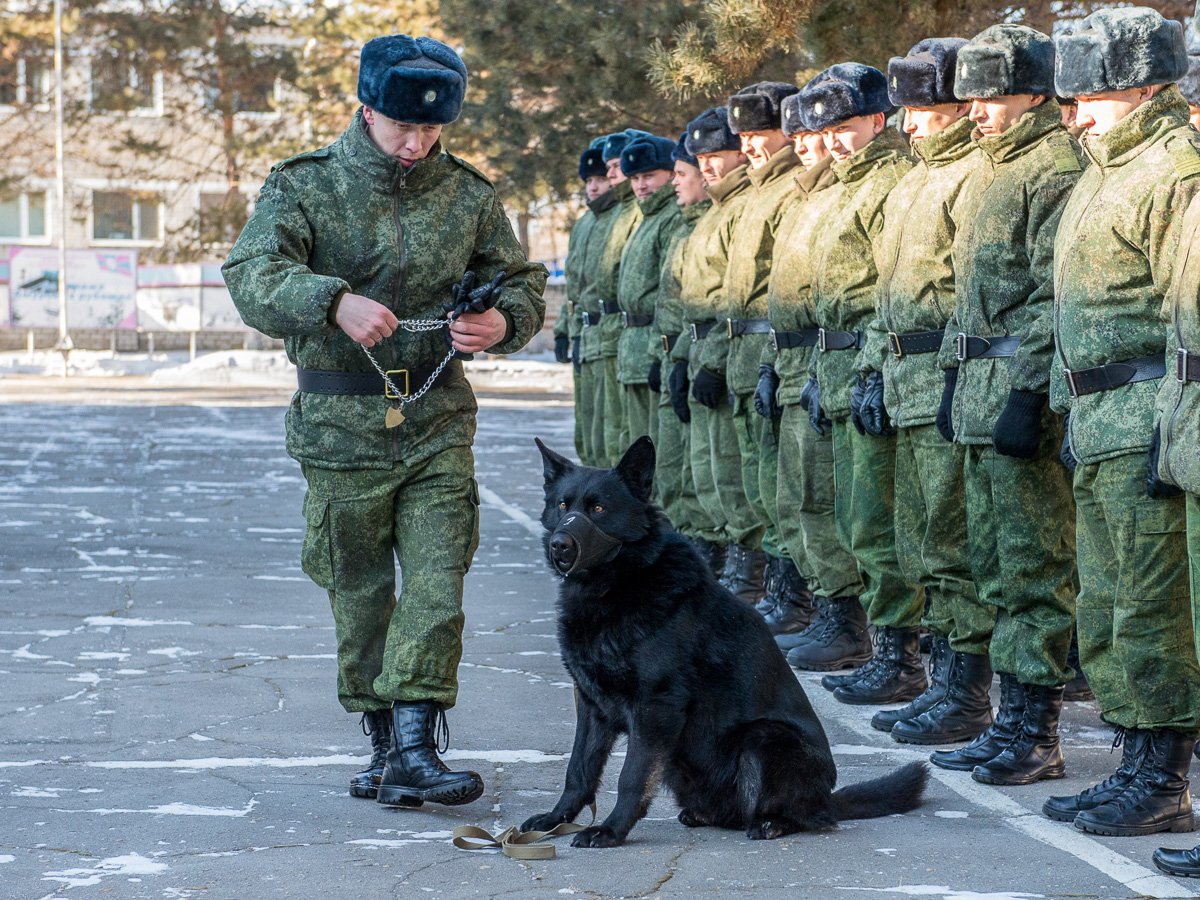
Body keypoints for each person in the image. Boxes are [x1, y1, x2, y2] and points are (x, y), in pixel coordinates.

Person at [222, 34, 547, 808]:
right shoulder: (306, 186)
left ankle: (414, 746)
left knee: (438, 581)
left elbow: (521, 281)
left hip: (437, 417)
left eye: (433, 130)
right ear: (366, 109)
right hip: (341, 427)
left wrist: (503, 321)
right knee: (361, 591)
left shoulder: (468, 194)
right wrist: (330, 300)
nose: (418, 142)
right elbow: (251, 273)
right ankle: (380, 742)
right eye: (404, 126)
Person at [1044, 7, 1200, 835]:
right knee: (1105, 603)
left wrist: (1170, 424)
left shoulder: (1174, 169)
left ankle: (1162, 778)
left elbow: (1185, 317)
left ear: (1140, 85)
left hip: (1146, 416)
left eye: (1090, 96)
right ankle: (1136, 758)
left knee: (1149, 606)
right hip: (1100, 417)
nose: (1075, 114)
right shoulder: (1105, 170)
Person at [913, 24, 1080, 784]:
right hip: (979, 393)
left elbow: (1055, 297)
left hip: (1020, 399)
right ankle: (1005, 715)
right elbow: (965, 295)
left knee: (1033, 569)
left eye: (992, 95)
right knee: (992, 567)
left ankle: (1036, 731)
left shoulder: (1051, 168)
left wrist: (1027, 392)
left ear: (1034, 93)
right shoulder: (994, 169)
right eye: (970, 96)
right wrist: (955, 375)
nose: (975, 109)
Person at [837, 38, 994, 715]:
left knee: (950, 543)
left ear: (958, 106)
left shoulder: (975, 176)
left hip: (944, 380)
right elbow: (887, 292)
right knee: (913, 539)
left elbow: (979, 295)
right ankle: (922, 670)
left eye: (921, 110)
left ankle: (964, 690)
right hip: (903, 378)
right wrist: (872, 367)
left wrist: (964, 377)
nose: (908, 123)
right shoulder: (915, 182)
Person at [787, 63, 917, 678]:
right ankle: (852, 629)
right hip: (834, 362)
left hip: (874, 366)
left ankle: (896, 653)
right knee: (844, 510)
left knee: (877, 518)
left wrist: (869, 369)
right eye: (824, 129)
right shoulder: (842, 185)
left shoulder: (891, 180)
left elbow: (885, 292)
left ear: (877, 118)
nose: (832, 139)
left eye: (844, 126)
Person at [707, 81, 807, 619]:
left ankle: (792, 597)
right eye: (743, 136)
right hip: (749, 357)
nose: (750, 146)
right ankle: (773, 590)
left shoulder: (792, 188)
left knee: (786, 487)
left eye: (759, 134)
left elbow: (782, 288)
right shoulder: (754, 193)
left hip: (778, 354)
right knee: (756, 481)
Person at [766, 89, 861, 643]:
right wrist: (770, 366)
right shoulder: (805, 198)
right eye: (801, 135)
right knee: (794, 497)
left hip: (839, 364)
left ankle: (846, 622)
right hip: (801, 363)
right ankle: (819, 605)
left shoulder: (843, 192)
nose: (811, 145)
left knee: (835, 505)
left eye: (816, 134)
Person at [674, 107, 756, 586]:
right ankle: (728, 571)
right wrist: (685, 358)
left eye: (716, 155)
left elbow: (736, 296)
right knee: (707, 473)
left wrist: (715, 362)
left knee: (734, 475)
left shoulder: (740, 208)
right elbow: (693, 299)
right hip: (704, 349)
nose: (708, 165)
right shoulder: (712, 213)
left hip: (732, 354)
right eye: (700, 157)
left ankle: (750, 577)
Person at [652, 132, 721, 556]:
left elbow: (726, 301)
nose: (675, 183)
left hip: (718, 354)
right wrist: (672, 357)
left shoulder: (707, 220)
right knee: (681, 468)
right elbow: (674, 301)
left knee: (719, 476)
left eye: (680, 174)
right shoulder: (687, 224)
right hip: (686, 353)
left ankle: (737, 570)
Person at [615, 135, 683, 449]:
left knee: (655, 450)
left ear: (670, 174)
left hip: (653, 345)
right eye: (635, 178)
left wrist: (660, 350)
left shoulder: (671, 218)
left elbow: (670, 294)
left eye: (649, 176)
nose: (641, 185)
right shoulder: (647, 218)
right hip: (633, 349)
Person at [596, 129, 651, 466]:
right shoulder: (617, 213)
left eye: (618, 166)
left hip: (633, 334)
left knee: (635, 438)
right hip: (613, 333)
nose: (613, 175)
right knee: (610, 431)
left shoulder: (637, 212)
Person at [561, 143, 610, 465]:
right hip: (585, 332)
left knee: (608, 429)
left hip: (607, 335)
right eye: (588, 181)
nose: (593, 186)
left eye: (600, 179)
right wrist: (565, 330)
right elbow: (574, 284)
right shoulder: (584, 223)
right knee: (587, 429)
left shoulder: (616, 218)